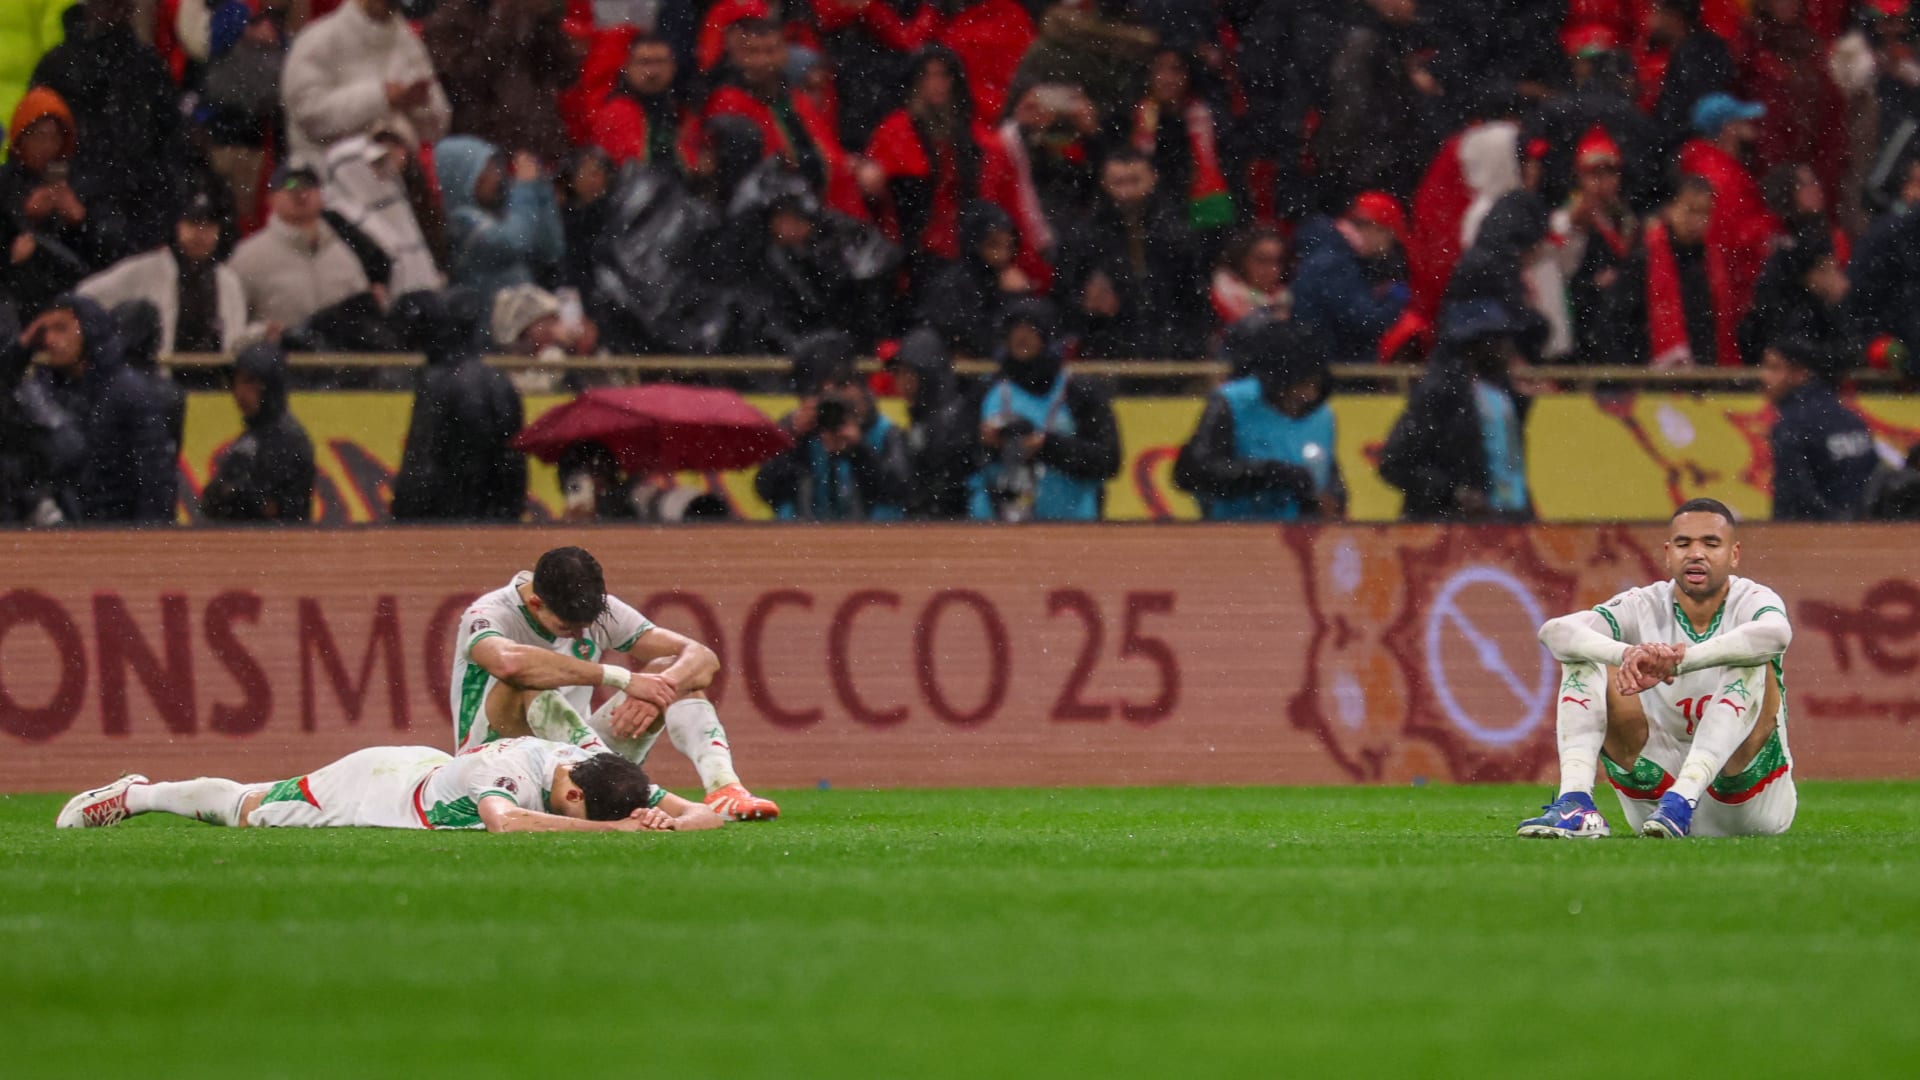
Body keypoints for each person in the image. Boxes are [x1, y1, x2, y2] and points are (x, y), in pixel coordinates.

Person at [1520, 498, 1797, 839]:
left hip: (1747, 804)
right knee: (1581, 653)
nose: (1696, 554)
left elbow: (1777, 635)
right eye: (1684, 544)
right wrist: (1627, 653)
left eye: (1711, 544)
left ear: (1734, 554)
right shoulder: (1643, 603)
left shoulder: (1752, 599)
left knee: (1752, 657)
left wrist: (1679, 663)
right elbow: (1555, 632)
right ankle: (1575, 803)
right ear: (1668, 554)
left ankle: (1686, 795)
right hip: (1655, 802)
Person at [450, 546, 781, 823]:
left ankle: (724, 788)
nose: (579, 635)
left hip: (578, 759)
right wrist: (623, 678)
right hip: (497, 761)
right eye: (567, 627)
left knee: (674, 674)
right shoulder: (490, 613)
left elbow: (702, 657)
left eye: (586, 626)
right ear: (536, 602)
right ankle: (610, 778)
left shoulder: (604, 610)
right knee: (528, 679)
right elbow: (507, 664)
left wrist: (659, 687)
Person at [56, 735, 723, 834]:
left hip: (422, 770)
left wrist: (668, 820)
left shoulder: (593, 765)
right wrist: (615, 834)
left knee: (257, 795)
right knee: (244, 808)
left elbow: (710, 813)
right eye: (589, 817)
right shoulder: (511, 778)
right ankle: (136, 795)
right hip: (372, 786)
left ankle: (142, 793)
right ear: (575, 796)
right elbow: (505, 822)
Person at [0, 293, 175, 524]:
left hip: (116, 526)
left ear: (90, 330)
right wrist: (22, 346)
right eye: (45, 331)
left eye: (61, 329)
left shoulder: (129, 392)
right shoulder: (51, 388)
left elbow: (155, 477)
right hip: (71, 525)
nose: (50, 339)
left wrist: (149, 535)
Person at [1175, 316, 1343, 521]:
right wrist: (1270, 474)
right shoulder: (1232, 402)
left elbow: (1329, 477)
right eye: (1301, 384)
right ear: (1278, 381)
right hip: (1233, 527)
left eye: (1315, 385)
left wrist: (1331, 498)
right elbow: (1195, 471)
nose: (1309, 394)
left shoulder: (1322, 416)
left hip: (1297, 532)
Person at [1378, 300, 1533, 523]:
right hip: (1451, 529)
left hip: (1507, 523)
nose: (1506, 347)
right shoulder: (1439, 394)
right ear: (1472, 346)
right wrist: (1454, 493)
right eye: (1495, 339)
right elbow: (1394, 463)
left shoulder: (1506, 396)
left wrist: (1525, 513)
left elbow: (1510, 465)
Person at [968, 298, 1120, 522]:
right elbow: (953, 457)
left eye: (1031, 329)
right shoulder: (986, 390)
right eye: (1015, 330)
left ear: (1048, 336)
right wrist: (987, 444)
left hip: (1071, 523)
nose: (1021, 337)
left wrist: (1047, 445)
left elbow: (1108, 460)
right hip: (997, 525)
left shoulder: (1079, 391)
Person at [1053, 147, 1207, 359]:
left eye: (1135, 181)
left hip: (1173, 350)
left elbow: (1195, 299)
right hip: (1107, 348)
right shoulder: (1084, 237)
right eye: (1119, 182)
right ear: (1104, 183)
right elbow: (1063, 296)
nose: (1127, 192)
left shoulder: (1177, 234)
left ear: (1153, 178)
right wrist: (1085, 305)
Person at [388, 288, 526, 522]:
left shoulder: (438, 381)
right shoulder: (497, 379)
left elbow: (422, 460)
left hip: (446, 514)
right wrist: (511, 509)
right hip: (492, 512)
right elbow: (512, 460)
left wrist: (404, 515)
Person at [754, 329, 913, 522]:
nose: (833, 398)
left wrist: (859, 451)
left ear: (859, 385)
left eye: (842, 385)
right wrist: (792, 442)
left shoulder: (885, 432)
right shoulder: (797, 430)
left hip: (871, 536)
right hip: (804, 535)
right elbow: (766, 490)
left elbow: (901, 492)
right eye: (818, 391)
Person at [280, 0, 450, 169]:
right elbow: (308, 114)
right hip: (325, 171)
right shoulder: (317, 39)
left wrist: (416, 104)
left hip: (398, 173)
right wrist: (381, 98)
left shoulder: (407, 41)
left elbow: (438, 123)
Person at [76, 191, 250, 355]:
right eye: (193, 223)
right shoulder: (145, 269)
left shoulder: (228, 280)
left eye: (209, 226)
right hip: (158, 373)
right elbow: (85, 296)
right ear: (177, 226)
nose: (201, 234)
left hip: (216, 373)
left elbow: (235, 340)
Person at [434, 135, 565, 304]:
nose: (496, 176)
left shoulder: (500, 211)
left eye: (495, 168)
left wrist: (540, 190)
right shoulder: (460, 223)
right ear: (461, 174)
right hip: (487, 317)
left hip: (522, 313)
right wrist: (524, 187)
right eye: (486, 170)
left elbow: (550, 248)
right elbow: (513, 241)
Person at [1761, 338, 1877, 521]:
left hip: (1818, 532)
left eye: (1774, 368)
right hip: (1864, 528)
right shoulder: (1851, 418)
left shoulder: (1792, 425)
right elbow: (1872, 483)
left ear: (1800, 373)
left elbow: (1793, 498)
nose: (1764, 377)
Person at [1291, 191, 1410, 368]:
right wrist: (1397, 297)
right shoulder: (1337, 263)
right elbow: (1366, 320)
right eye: (1390, 236)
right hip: (1336, 370)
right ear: (1376, 228)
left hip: (1322, 366)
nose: (1388, 248)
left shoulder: (1331, 253)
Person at [200, 342, 315, 523]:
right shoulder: (249, 437)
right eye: (236, 382)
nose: (240, 392)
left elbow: (270, 506)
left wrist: (233, 494)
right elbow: (212, 500)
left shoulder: (288, 440)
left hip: (276, 538)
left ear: (270, 386)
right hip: (242, 536)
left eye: (249, 382)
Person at [1625, 174, 1732, 368]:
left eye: (1705, 213)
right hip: (1655, 373)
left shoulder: (1712, 261)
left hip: (1706, 372)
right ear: (1670, 209)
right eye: (1691, 211)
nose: (1698, 220)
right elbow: (1623, 321)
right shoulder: (1644, 257)